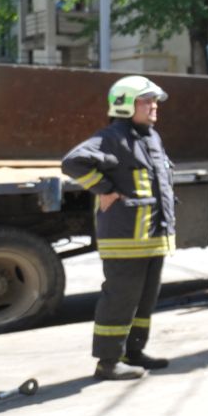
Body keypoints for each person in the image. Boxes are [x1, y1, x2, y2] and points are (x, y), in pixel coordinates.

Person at [62, 75, 176, 381]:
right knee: (120, 300)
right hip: (126, 238)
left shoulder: (151, 137)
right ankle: (108, 362)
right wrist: (104, 189)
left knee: (145, 300)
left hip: (152, 238)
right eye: (146, 101)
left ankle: (133, 352)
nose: (154, 106)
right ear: (125, 106)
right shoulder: (112, 136)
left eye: (154, 100)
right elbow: (73, 162)